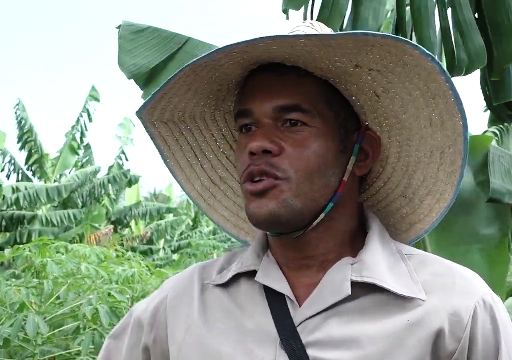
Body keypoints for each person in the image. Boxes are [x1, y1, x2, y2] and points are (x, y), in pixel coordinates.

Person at [98, 21, 512, 359]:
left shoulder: (455, 310)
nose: (256, 144)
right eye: (246, 127)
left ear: (361, 153)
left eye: (292, 123)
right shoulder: (178, 309)